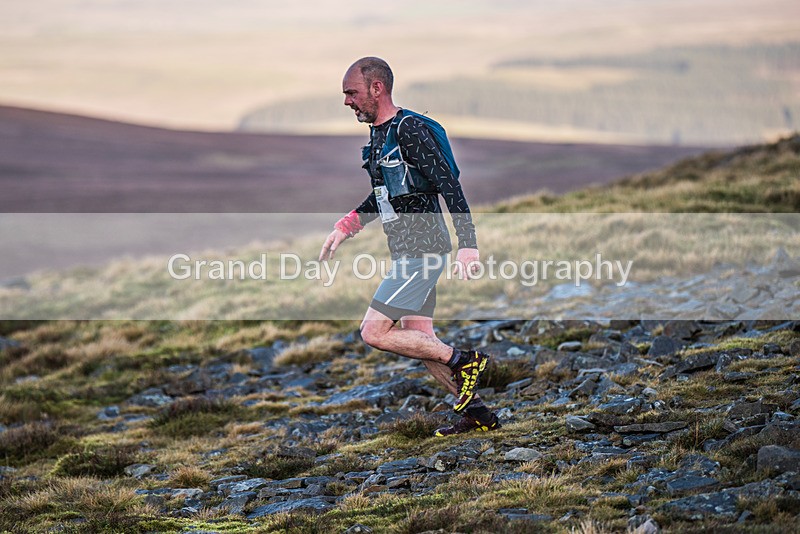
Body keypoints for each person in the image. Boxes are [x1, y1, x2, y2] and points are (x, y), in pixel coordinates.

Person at [319, 57, 500, 436]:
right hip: (406, 251)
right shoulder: (378, 134)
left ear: (376, 88)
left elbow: (449, 184)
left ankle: (465, 360)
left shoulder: (410, 129)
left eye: (351, 93)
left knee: (374, 332)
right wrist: (347, 225)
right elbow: (383, 194)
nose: (347, 102)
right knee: (420, 337)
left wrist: (468, 244)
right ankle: (480, 415)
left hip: (425, 251)